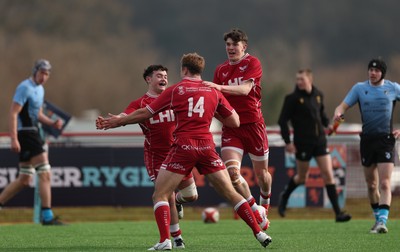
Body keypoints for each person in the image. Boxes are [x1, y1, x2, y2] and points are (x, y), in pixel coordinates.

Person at [97, 53, 272, 250]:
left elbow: (146, 112)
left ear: (184, 70)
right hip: (206, 146)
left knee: (160, 195)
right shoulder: (212, 91)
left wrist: (117, 122)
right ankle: (259, 232)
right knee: (231, 193)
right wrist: (211, 109)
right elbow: (235, 121)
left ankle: (165, 241)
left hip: (183, 147)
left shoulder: (176, 90)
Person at [96, 65, 198, 249]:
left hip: (179, 153)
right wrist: (111, 121)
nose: (164, 79)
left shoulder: (175, 96)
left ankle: (178, 205)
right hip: (157, 156)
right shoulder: (141, 103)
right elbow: (124, 115)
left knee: (191, 196)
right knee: (164, 195)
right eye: (159, 75)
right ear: (148, 79)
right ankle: (175, 239)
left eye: (166, 76)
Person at [205, 28, 271, 230]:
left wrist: (219, 87)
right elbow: (217, 101)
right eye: (228, 44)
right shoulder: (221, 70)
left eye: (235, 44)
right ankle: (255, 209)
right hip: (231, 127)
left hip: (253, 125)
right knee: (233, 173)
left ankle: (265, 205)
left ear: (244, 46)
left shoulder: (252, 63)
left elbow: (245, 89)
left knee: (262, 176)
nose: (231, 48)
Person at [334, 58, 399, 233]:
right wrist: (338, 114)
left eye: (376, 70)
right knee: (371, 185)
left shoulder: (393, 88)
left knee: (385, 183)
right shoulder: (360, 88)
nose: (372, 73)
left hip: (385, 140)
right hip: (367, 141)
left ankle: (383, 221)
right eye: (370, 69)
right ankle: (378, 219)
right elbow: (342, 106)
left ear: (382, 73)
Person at [277, 69, 352, 222]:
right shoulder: (292, 99)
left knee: (328, 175)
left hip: (320, 141)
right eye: (297, 79)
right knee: (302, 178)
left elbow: (321, 115)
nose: (299, 82)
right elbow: (282, 121)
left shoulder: (318, 95)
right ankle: (285, 196)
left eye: (302, 79)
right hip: (302, 143)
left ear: (310, 80)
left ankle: (338, 213)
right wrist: (288, 142)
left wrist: (329, 125)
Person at [0, 59, 64, 225]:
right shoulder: (24, 87)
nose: (44, 76)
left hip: (32, 132)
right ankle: (47, 216)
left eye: (47, 74)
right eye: (42, 72)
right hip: (26, 133)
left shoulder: (40, 89)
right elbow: (13, 113)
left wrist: (51, 123)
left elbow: (37, 114)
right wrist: (13, 138)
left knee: (24, 179)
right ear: (35, 71)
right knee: (45, 172)